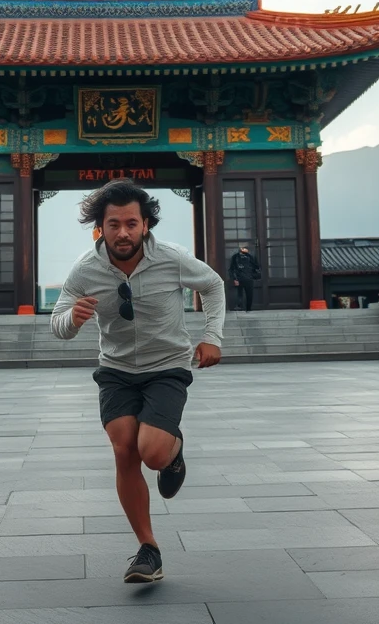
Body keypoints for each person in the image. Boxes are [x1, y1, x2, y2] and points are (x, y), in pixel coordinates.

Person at [50, 179, 225, 585]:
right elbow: (57, 324)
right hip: (116, 371)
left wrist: (211, 337)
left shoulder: (172, 258)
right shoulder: (85, 269)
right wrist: (71, 320)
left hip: (166, 366)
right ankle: (148, 549)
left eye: (132, 223)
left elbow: (213, 285)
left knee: (153, 453)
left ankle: (174, 451)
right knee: (123, 446)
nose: (123, 232)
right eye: (114, 224)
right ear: (101, 227)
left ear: (146, 224)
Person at [227, 245, 261, 312]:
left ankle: (248, 308)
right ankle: (239, 307)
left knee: (249, 294)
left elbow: (256, 266)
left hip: (249, 278)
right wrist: (234, 279)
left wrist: (254, 274)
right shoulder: (235, 257)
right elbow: (231, 269)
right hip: (239, 278)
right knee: (239, 294)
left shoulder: (250, 257)